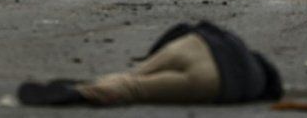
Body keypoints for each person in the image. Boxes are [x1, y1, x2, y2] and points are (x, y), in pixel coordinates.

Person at [18, 21, 282, 106]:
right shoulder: (254, 84)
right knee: (138, 89)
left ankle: (110, 80)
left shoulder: (237, 44)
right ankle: (85, 92)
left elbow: (184, 28)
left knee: (134, 75)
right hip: (213, 80)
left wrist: (152, 56)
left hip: (194, 44)